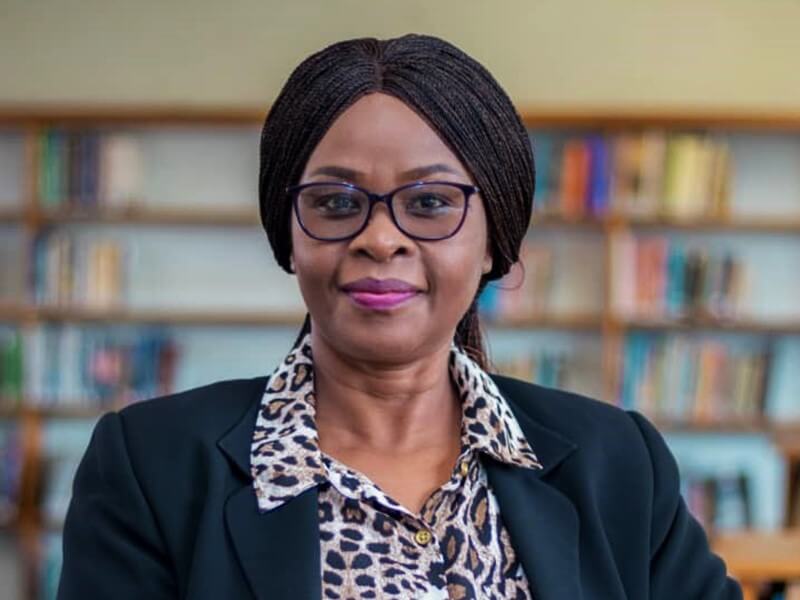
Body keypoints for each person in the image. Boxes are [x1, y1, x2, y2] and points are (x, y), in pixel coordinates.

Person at [57, 34, 742, 599]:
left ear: (493, 240)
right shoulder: (150, 466)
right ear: (288, 236)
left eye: (430, 203)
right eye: (335, 203)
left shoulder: (616, 461)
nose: (380, 239)